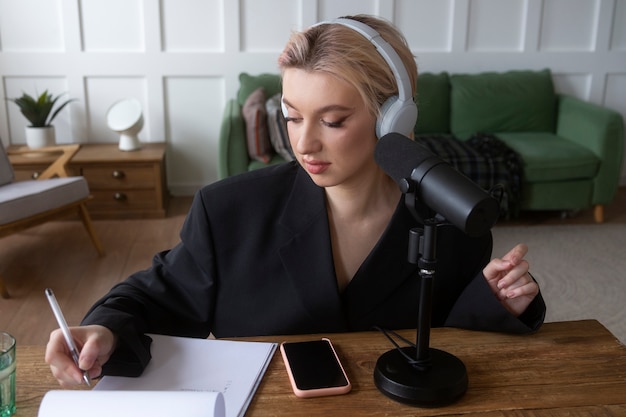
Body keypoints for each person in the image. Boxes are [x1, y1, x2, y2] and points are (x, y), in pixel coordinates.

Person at [46, 14, 546, 386]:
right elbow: (150, 299)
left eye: (332, 121)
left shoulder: (449, 213)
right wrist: (104, 331)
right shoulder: (228, 211)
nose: (303, 143)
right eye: (291, 115)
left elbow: (451, 338)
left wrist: (494, 300)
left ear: (394, 120)